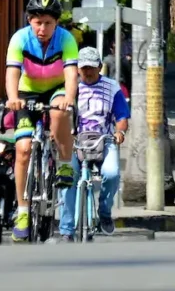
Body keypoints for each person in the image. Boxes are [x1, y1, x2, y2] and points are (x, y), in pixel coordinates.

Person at [5, 0, 79, 242]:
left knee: (59, 110)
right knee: (23, 149)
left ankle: (65, 163)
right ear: (29, 20)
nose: (42, 28)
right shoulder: (20, 38)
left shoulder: (66, 39)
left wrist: (69, 97)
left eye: (48, 23)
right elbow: (12, 72)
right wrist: (13, 98)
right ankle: (22, 212)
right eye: (38, 22)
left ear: (56, 23)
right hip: (27, 92)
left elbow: (71, 74)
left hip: (56, 89)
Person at [58, 47, 129, 242]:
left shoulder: (112, 87)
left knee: (112, 173)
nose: (87, 72)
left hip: (104, 140)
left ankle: (104, 212)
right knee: (67, 177)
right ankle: (66, 229)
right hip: (75, 143)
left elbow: (122, 116)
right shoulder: (70, 88)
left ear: (99, 67)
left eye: (91, 67)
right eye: (84, 68)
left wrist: (120, 132)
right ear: (77, 69)